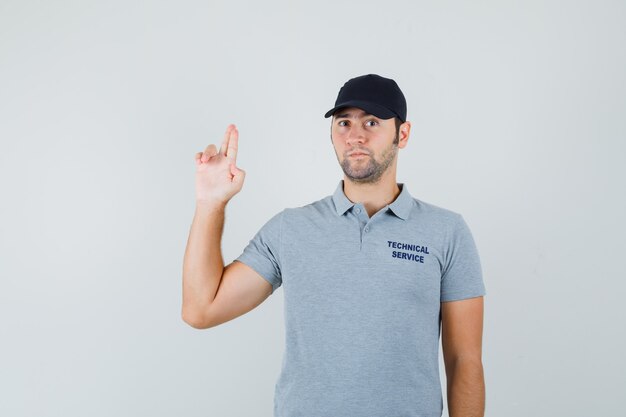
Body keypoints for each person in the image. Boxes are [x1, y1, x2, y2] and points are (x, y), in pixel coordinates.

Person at [182, 74, 487, 417]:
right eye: (344, 123)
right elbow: (200, 310)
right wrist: (210, 204)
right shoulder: (291, 229)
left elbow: (464, 361)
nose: (355, 136)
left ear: (402, 134)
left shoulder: (446, 232)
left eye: (372, 122)